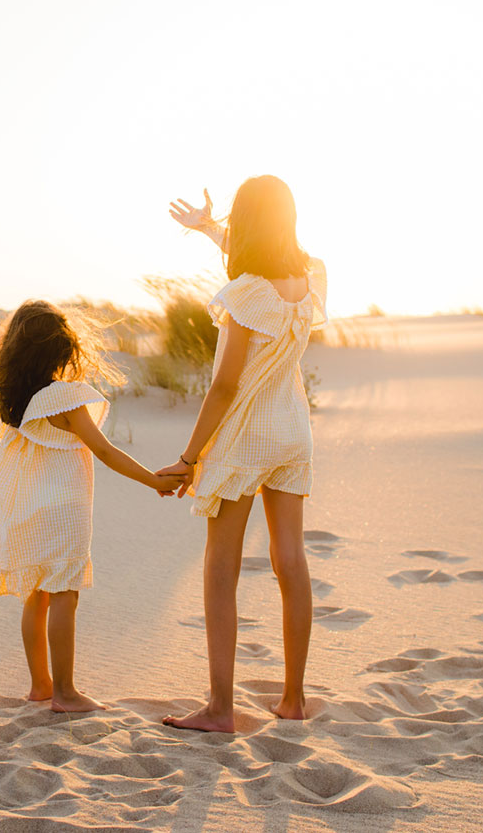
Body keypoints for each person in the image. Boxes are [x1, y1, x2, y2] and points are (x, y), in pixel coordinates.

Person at [0, 300, 187, 712]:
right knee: (65, 593)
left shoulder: (10, 391)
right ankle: (65, 693)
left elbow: (13, 346)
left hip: (22, 505)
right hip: (62, 508)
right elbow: (104, 449)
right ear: (61, 349)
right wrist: (152, 479)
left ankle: (41, 686)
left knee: (37, 595)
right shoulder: (64, 398)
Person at [157, 178, 328, 731]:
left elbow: (224, 387)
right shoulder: (311, 276)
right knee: (292, 561)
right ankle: (294, 699)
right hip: (292, 433)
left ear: (246, 220)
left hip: (245, 437)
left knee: (220, 568)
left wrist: (188, 457)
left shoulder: (244, 295)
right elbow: (259, 254)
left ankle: (221, 708)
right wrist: (210, 229)